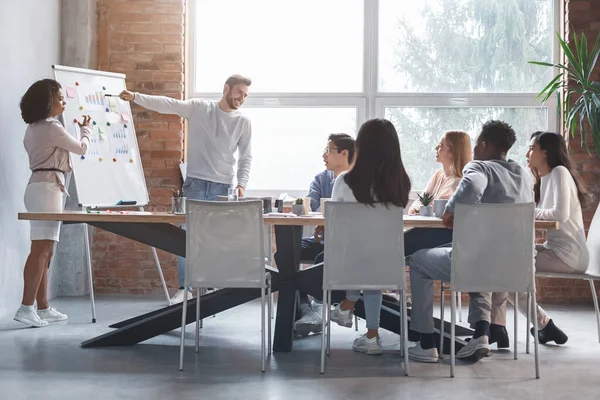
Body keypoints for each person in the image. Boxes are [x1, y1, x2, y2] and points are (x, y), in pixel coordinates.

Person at [407, 120, 533, 363]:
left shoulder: (479, 167)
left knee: (418, 260)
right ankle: (481, 333)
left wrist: (451, 210)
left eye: (476, 144)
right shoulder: (522, 174)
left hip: (478, 265)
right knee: (482, 255)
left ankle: (425, 342)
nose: (474, 150)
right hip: (518, 267)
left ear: (484, 145)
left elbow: (473, 186)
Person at [120, 74, 252, 304]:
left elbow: (246, 157)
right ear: (226, 88)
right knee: (187, 238)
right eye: (239, 92)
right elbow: (168, 104)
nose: (242, 98)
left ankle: (208, 287)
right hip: (196, 183)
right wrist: (135, 97)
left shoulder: (243, 122)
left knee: (215, 239)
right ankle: (186, 288)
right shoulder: (201, 108)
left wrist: (242, 184)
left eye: (245, 95)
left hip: (225, 186)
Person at [326, 118, 412, 355]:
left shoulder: (345, 181)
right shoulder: (401, 183)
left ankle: (347, 303)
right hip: (387, 260)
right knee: (372, 264)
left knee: (355, 253)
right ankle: (371, 335)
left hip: (348, 261)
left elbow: (337, 226)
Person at [15, 79, 91, 327]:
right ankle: (27, 307)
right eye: (60, 98)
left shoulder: (33, 128)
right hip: (47, 189)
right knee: (41, 250)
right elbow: (80, 148)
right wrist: (86, 131)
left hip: (40, 186)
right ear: (47, 101)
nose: (63, 102)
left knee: (46, 251)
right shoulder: (52, 128)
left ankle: (43, 306)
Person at [499, 131, 586, 345]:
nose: (527, 152)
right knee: (505, 266)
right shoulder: (546, 178)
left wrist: (528, 211)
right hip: (555, 249)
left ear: (545, 152)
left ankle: (541, 325)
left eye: (532, 148)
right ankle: (542, 326)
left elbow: (559, 214)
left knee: (508, 273)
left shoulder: (559, 173)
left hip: (568, 256)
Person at [291, 133, 355, 337]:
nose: (324, 155)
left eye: (328, 150)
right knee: (288, 252)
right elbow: (313, 207)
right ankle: (306, 308)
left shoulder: (357, 181)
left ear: (344, 153)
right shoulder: (321, 179)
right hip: (325, 238)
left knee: (322, 259)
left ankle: (319, 309)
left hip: (346, 244)